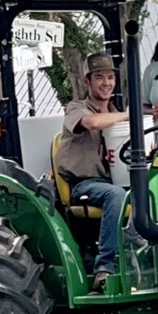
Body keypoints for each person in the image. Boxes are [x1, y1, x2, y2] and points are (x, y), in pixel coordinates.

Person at [55, 52, 128, 293]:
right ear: (87, 82)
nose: (106, 83)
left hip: (116, 181)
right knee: (116, 195)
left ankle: (138, 256)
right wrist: (132, 114)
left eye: (110, 77)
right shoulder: (76, 108)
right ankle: (105, 268)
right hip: (84, 185)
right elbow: (92, 123)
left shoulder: (117, 115)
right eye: (99, 77)